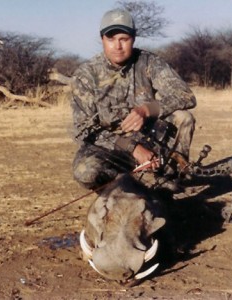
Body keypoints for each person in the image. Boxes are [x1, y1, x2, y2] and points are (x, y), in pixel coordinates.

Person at [71, 8, 196, 190]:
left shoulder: (149, 62)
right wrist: (133, 148)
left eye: (124, 39)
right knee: (85, 171)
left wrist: (148, 109)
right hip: (108, 146)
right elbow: (83, 130)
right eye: (111, 39)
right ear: (102, 39)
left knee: (184, 117)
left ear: (134, 38)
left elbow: (186, 95)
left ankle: (172, 174)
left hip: (149, 138)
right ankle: (130, 183)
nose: (117, 46)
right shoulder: (85, 74)